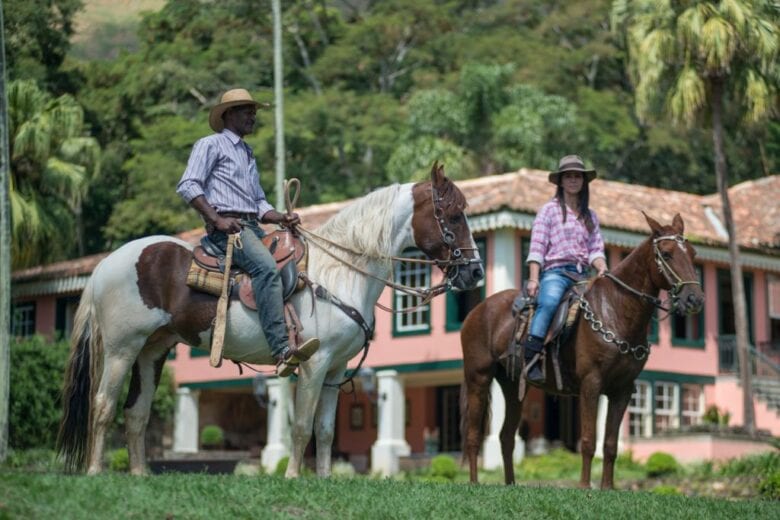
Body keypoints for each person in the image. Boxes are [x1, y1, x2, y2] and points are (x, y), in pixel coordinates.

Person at [177, 88, 319, 377]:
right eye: (246, 110)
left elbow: (257, 203)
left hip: (252, 227)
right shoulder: (211, 144)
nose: (253, 116)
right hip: (227, 231)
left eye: (254, 110)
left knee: (295, 252)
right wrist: (217, 219)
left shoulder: (247, 152)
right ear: (228, 114)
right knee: (267, 269)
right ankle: (281, 348)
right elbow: (188, 185)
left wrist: (280, 216)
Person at [522, 155, 608, 383]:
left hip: (583, 276)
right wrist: (533, 279)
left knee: (604, 309)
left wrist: (602, 268)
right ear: (560, 181)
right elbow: (537, 247)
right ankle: (531, 357)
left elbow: (596, 250)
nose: (573, 180)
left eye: (577, 176)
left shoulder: (591, 216)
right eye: (568, 176)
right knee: (549, 302)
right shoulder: (548, 211)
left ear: (583, 181)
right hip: (556, 273)